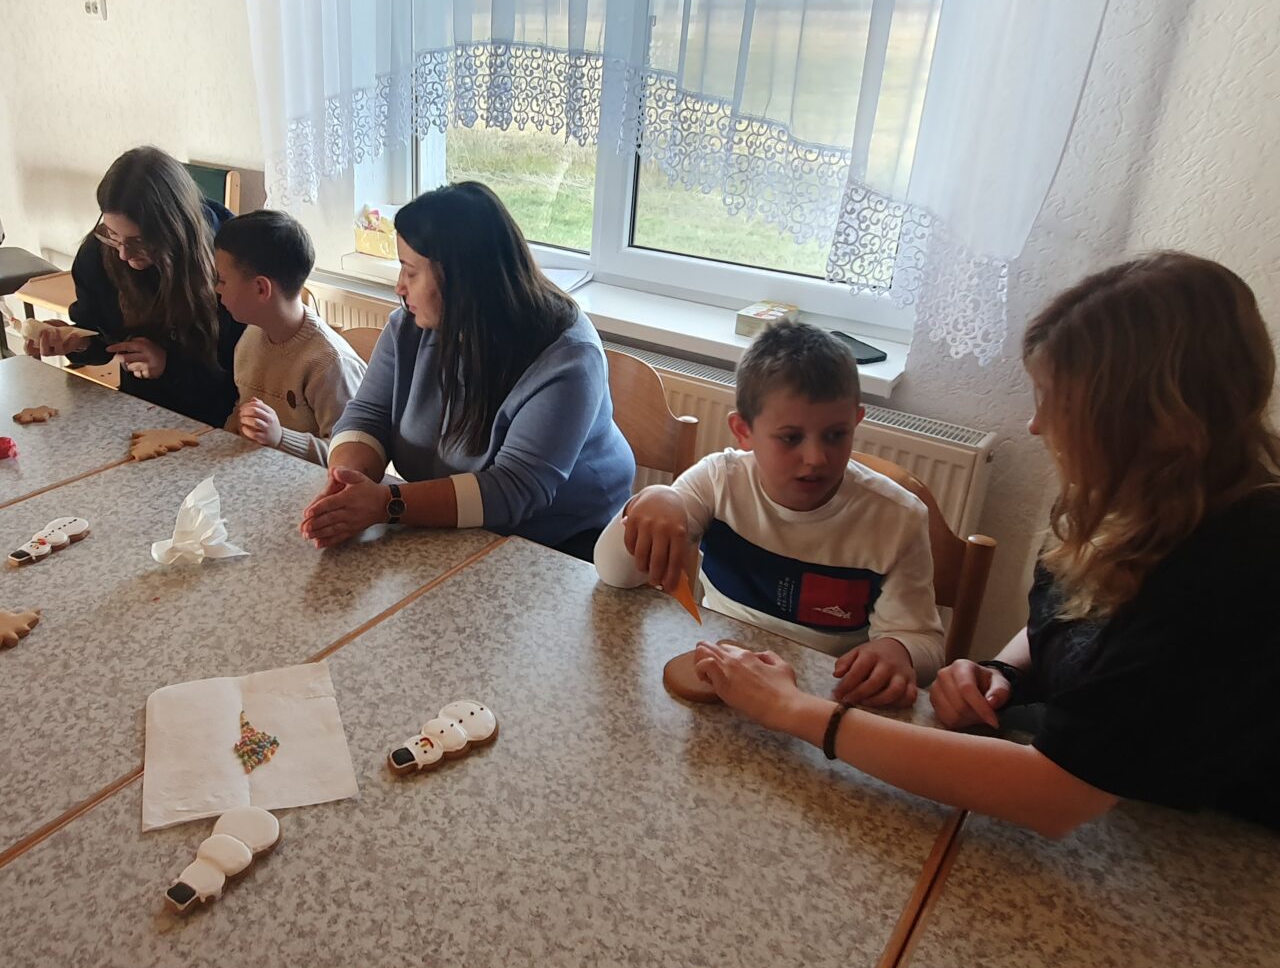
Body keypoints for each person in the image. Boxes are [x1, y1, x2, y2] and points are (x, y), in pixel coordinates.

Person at [691, 253, 1280, 884]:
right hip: (1153, 843)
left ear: (1147, 419)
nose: (1037, 424)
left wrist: (797, 712)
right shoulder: (1130, 503)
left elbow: (1052, 796)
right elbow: (1078, 629)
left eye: (1055, 402)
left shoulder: (1251, 572)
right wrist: (1004, 671)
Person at [593, 323, 942, 707]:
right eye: (791, 438)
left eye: (836, 435)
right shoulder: (717, 481)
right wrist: (650, 500)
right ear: (743, 431)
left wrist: (899, 651)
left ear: (856, 422)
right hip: (721, 681)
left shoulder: (898, 519)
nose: (816, 458)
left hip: (820, 702)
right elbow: (615, 575)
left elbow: (923, 641)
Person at [301, 181, 634, 560]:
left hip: (565, 544)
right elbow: (368, 415)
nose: (399, 287)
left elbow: (514, 489)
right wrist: (347, 482)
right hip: (459, 529)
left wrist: (386, 503)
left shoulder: (569, 359)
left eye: (410, 271)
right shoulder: (411, 326)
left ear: (459, 278)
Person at [25, 147, 241, 427]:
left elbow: (240, 378)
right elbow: (103, 338)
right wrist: (77, 341)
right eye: (113, 235)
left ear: (175, 228)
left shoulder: (229, 260)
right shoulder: (97, 254)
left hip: (219, 419)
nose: (124, 254)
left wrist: (166, 366)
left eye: (139, 241)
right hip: (138, 408)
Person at [214, 209, 365, 465]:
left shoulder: (328, 363)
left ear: (261, 288)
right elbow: (242, 412)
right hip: (258, 471)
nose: (216, 289)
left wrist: (281, 438)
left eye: (222, 281)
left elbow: (353, 457)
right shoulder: (251, 336)